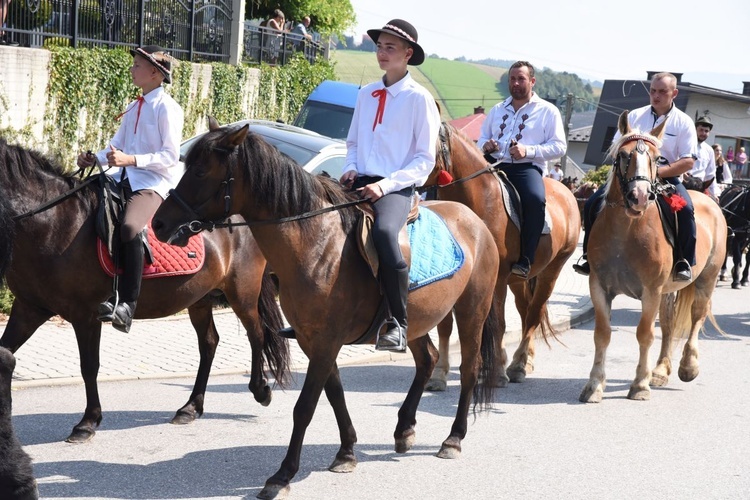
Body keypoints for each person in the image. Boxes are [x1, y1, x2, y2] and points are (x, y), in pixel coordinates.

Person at [342, 18, 441, 352]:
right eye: (379, 46)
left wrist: (384, 186)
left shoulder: (419, 99)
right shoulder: (367, 93)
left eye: (390, 47)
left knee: (384, 233)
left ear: (407, 53)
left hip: (396, 188)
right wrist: (350, 168)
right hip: (359, 181)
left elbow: (424, 160)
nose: (381, 53)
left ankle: (397, 322)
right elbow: (352, 142)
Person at [76, 45, 184, 333]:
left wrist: (131, 160)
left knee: (129, 228)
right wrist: (94, 157)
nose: (132, 69)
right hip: (123, 177)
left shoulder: (168, 109)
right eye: (134, 64)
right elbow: (117, 146)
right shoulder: (134, 106)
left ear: (155, 73)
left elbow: (170, 157)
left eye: (137, 65)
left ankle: (127, 304)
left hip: (153, 183)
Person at [573, 72, 697, 281]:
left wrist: (654, 173)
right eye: (653, 91)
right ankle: (588, 255)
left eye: (662, 92)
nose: (656, 96)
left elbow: (688, 161)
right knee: (594, 203)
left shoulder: (683, 122)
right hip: (628, 175)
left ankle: (683, 261)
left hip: (665, 176)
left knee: (686, 210)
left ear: (674, 93)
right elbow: (616, 147)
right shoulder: (634, 116)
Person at [478, 60, 567, 279]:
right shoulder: (498, 109)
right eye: (512, 79)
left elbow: (560, 147)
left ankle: (526, 259)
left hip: (526, 168)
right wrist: (486, 145)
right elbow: (481, 137)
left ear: (532, 81)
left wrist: (529, 151)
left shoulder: (548, 111)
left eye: (521, 78)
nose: (516, 83)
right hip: (495, 165)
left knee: (535, 199)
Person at [688, 116, 719, 201]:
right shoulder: (686, 144)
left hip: (700, 188)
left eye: (706, 131)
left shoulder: (709, 150)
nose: (703, 133)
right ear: (695, 130)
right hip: (684, 185)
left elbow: (711, 175)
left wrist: (714, 194)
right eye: (701, 130)